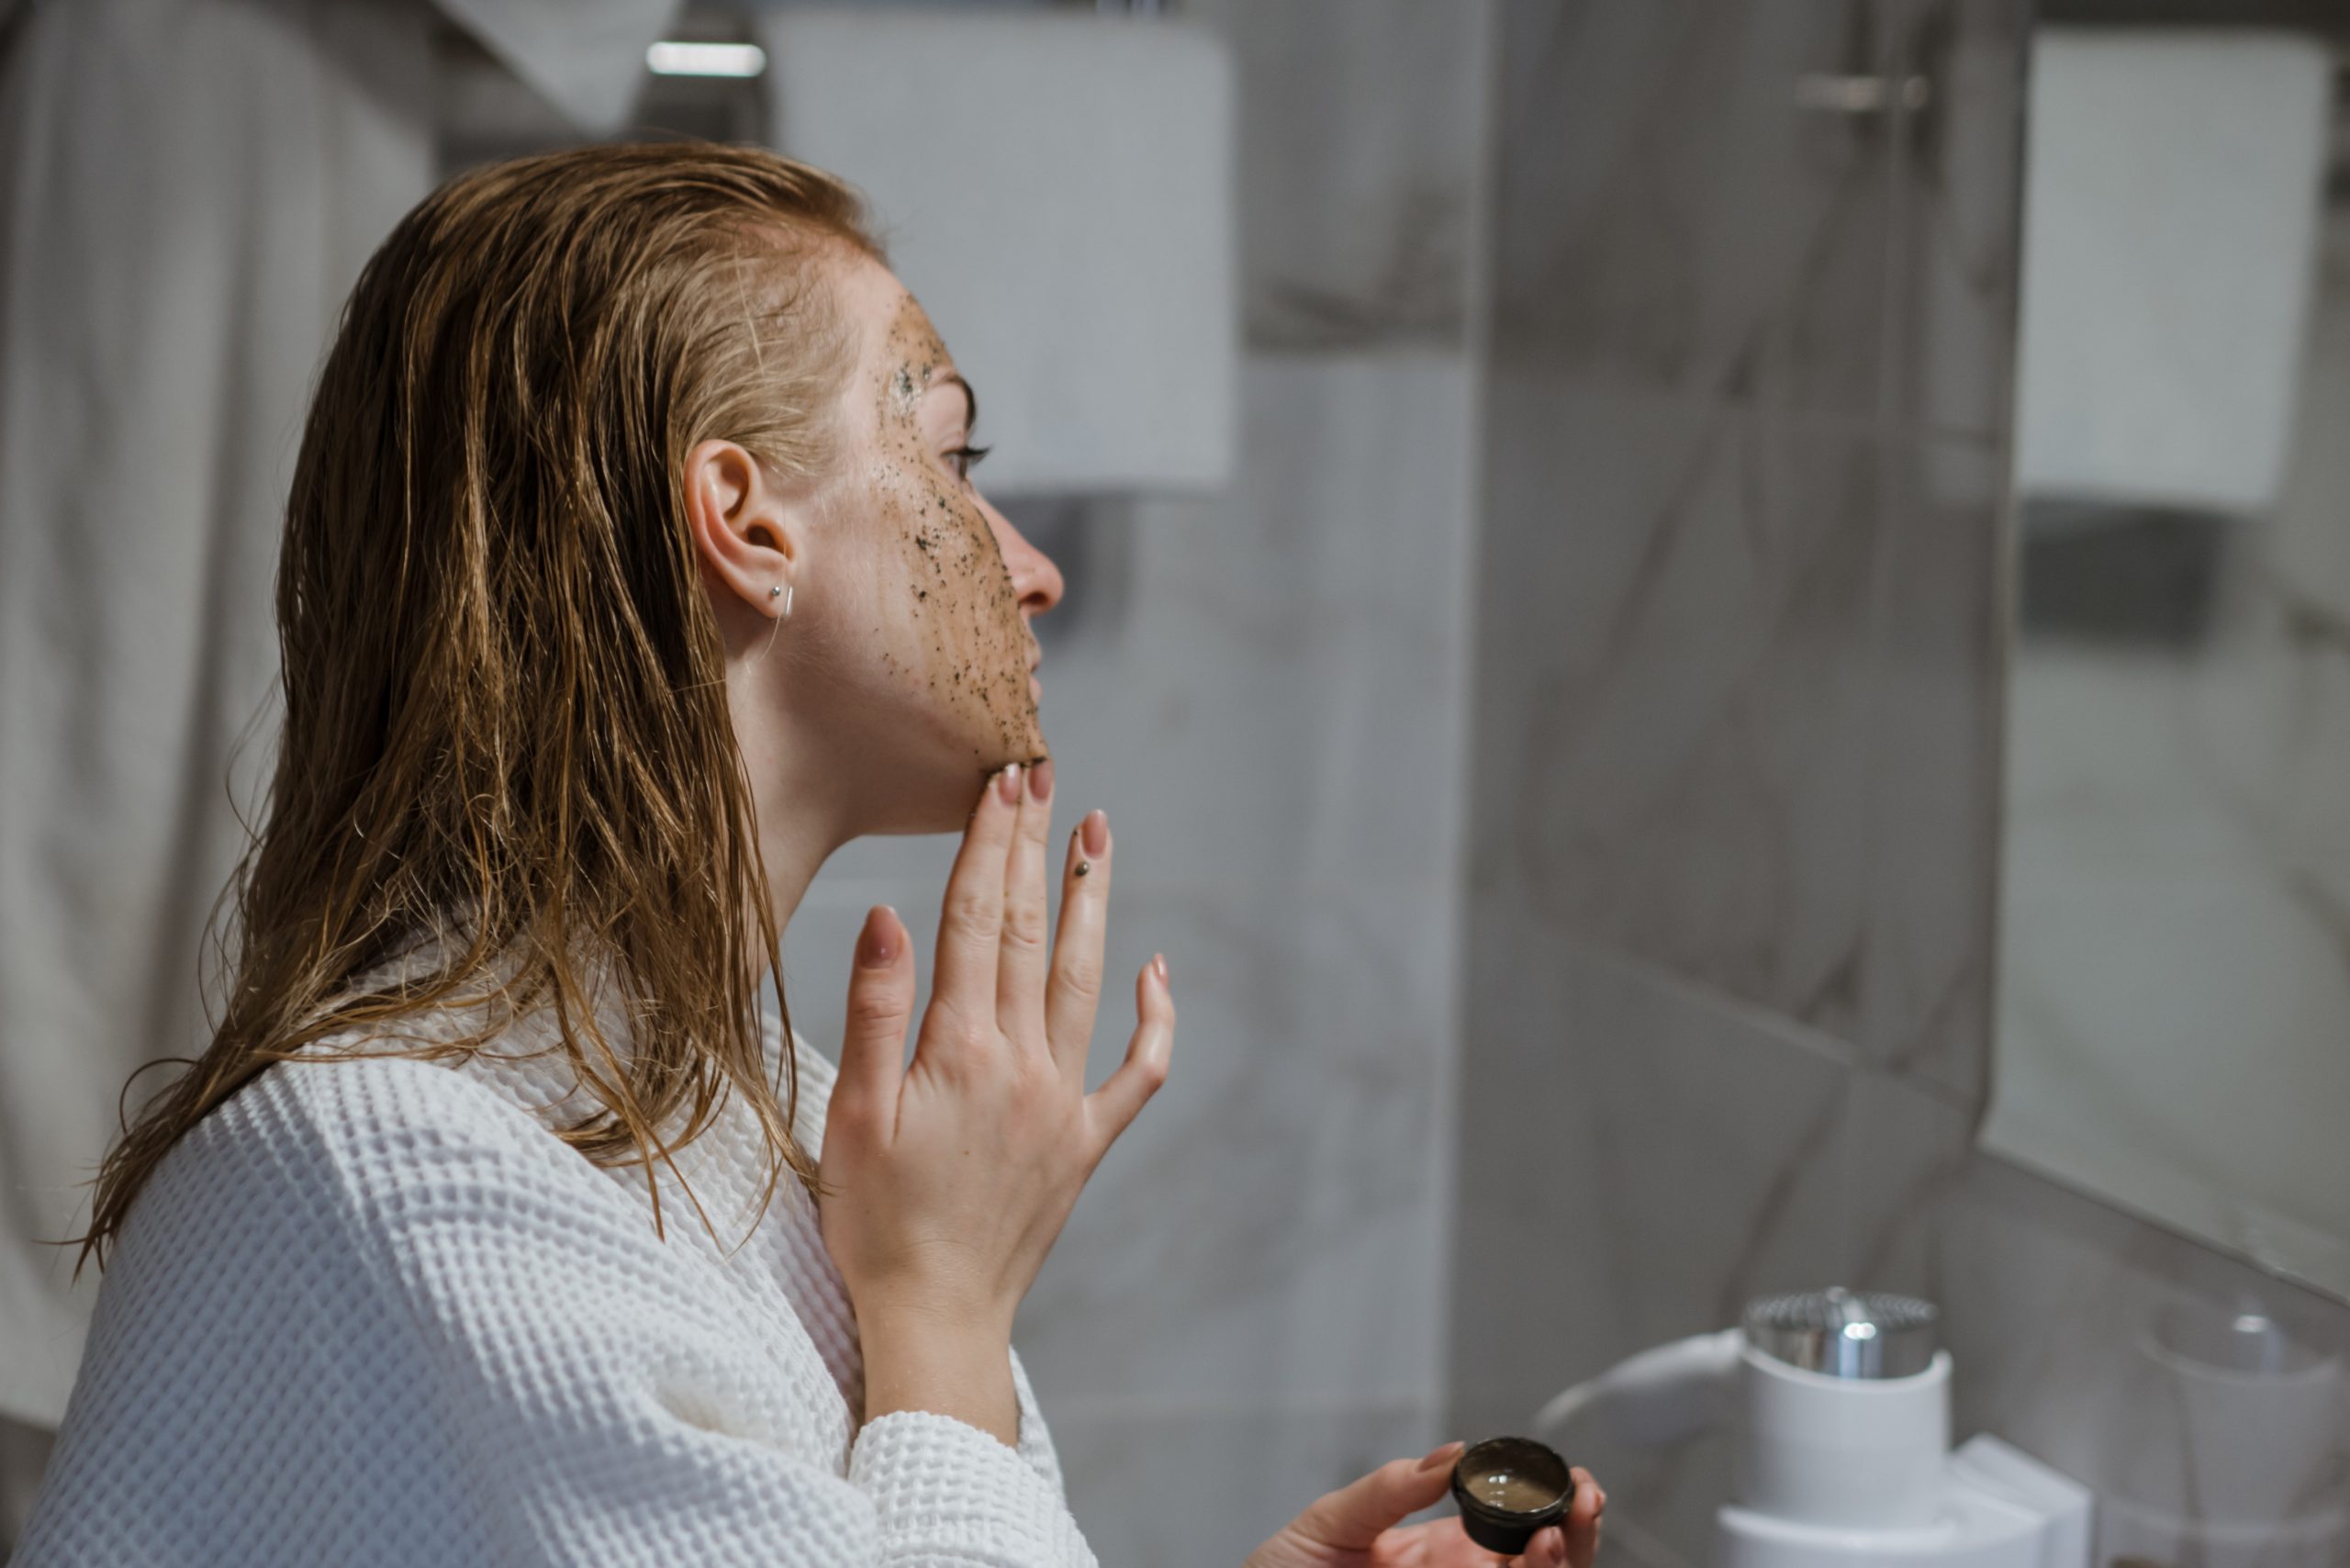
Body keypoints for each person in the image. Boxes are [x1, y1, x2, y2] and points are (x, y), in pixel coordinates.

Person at [11, 142, 1604, 1567]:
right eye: (958, 464)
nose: (1032, 572)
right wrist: (946, 1311)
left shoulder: (717, 1105)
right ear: (747, 524)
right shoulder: (392, 1175)